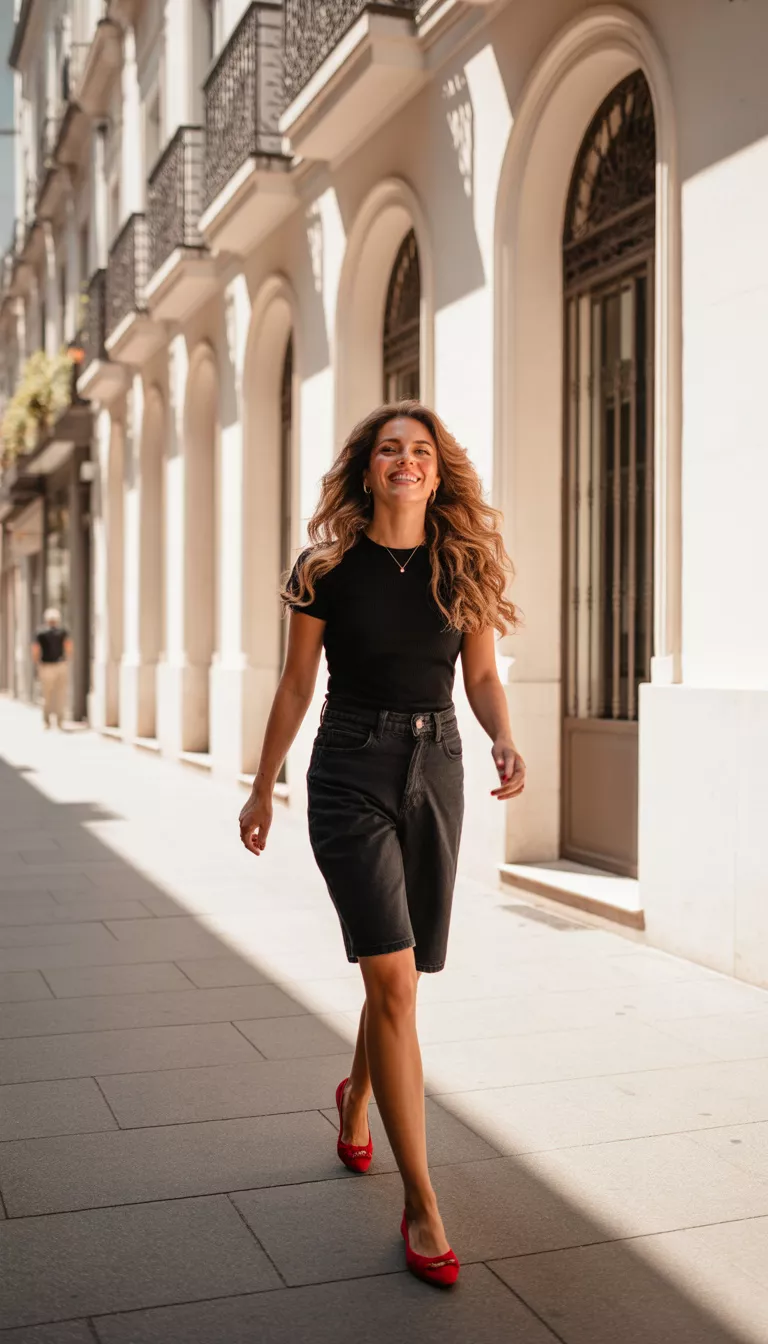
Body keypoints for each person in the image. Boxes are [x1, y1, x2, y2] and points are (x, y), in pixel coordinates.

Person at [239, 401, 525, 1288]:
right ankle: (422, 1205)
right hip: (350, 766)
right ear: (367, 469)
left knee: (396, 966)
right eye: (389, 450)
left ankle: (357, 1097)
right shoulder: (325, 567)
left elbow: (478, 674)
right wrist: (262, 782)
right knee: (393, 977)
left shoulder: (463, 561)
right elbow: (295, 683)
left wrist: (504, 736)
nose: (406, 462)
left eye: (421, 452)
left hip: (436, 760)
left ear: (438, 473)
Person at [32, 607, 72, 729]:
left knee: (46, 695)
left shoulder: (40, 633)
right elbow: (69, 647)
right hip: (60, 665)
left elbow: (35, 650)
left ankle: (47, 722)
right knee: (60, 695)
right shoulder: (63, 631)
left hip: (46, 666)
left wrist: (37, 663)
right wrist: (67, 660)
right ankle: (60, 721)